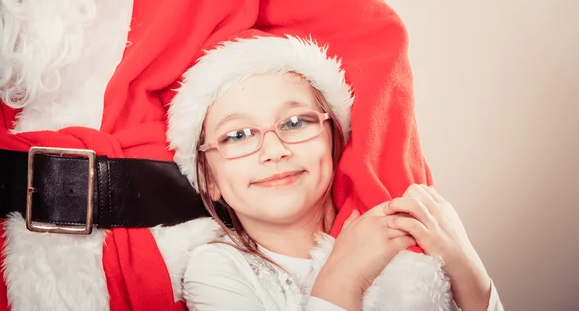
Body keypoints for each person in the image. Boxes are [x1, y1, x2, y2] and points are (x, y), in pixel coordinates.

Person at [0, 0, 442, 309]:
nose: (273, 148)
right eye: (244, 135)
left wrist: (402, 257)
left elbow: (362, 49)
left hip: (160, 258)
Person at [165, 32, 504, 310]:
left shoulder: (407, 240)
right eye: (237, 135)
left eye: (295, 122)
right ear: (208, 179)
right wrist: (343, 279)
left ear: (334, 140)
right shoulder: (216, 271)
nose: (274, 151)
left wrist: (467, 270)